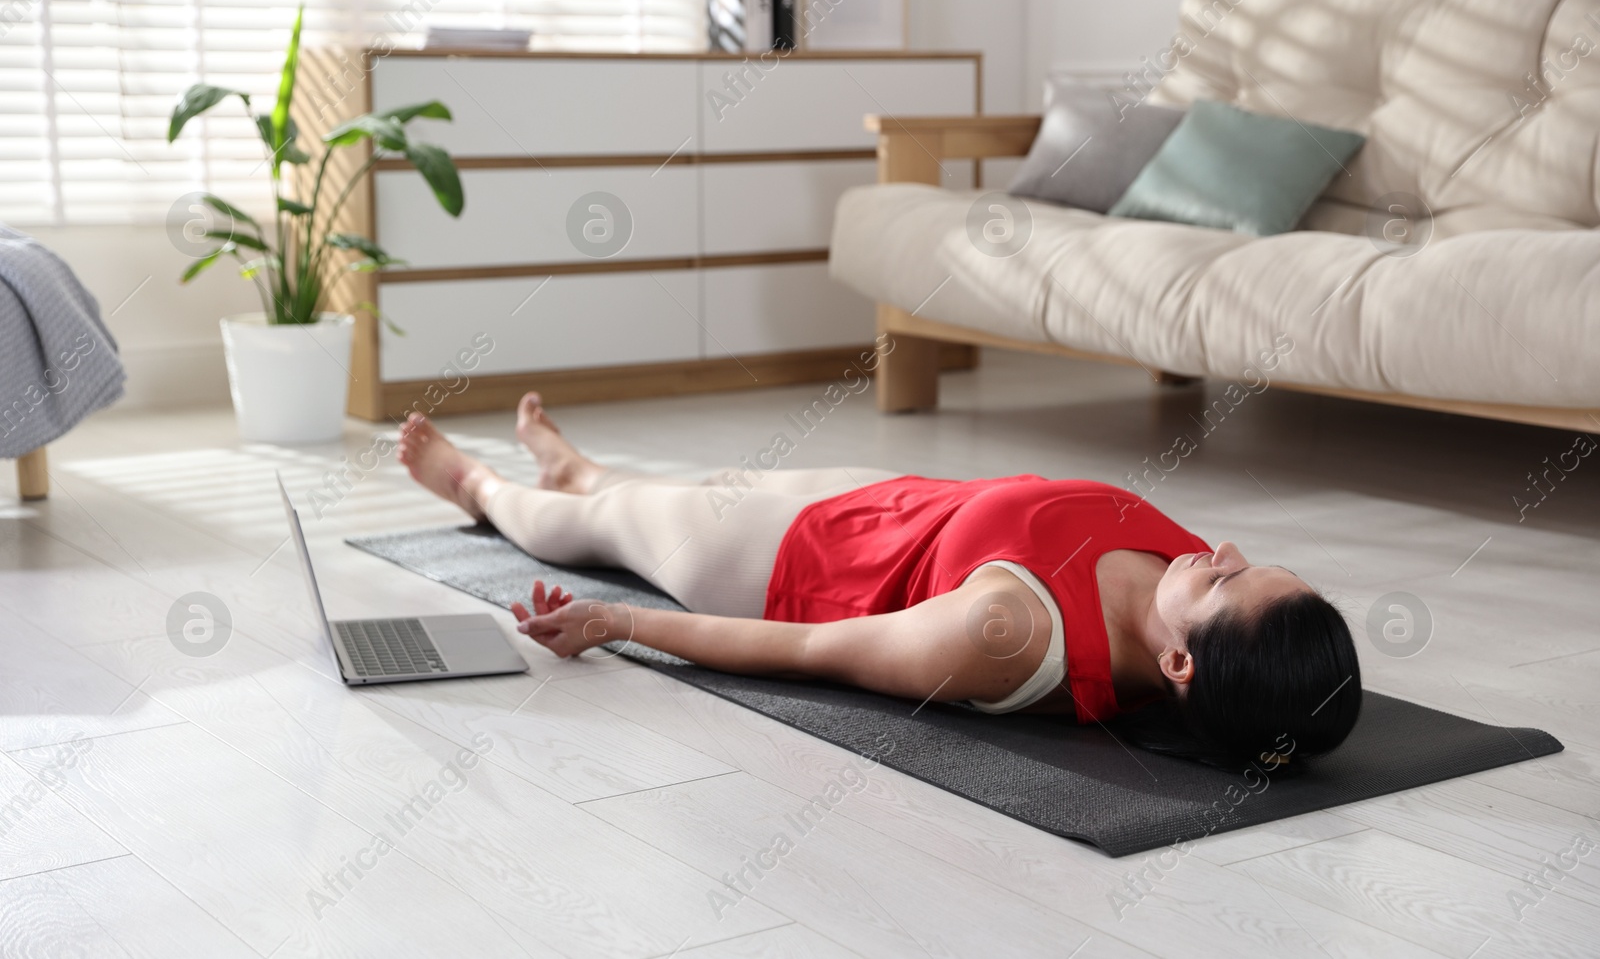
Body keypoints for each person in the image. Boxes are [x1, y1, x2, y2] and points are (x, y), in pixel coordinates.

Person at [397, 394, 1362, 770]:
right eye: (1247, 563)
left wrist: (619, 621)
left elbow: (817, 650)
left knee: (594, 530)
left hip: (789, 566)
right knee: (654, 492)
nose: (1223, 553)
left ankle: (485, 487)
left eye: (1230, 582)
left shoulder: (1010, 636)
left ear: (1181, 663)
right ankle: (586, 468)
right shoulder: (1183, 586)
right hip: (895, 502)